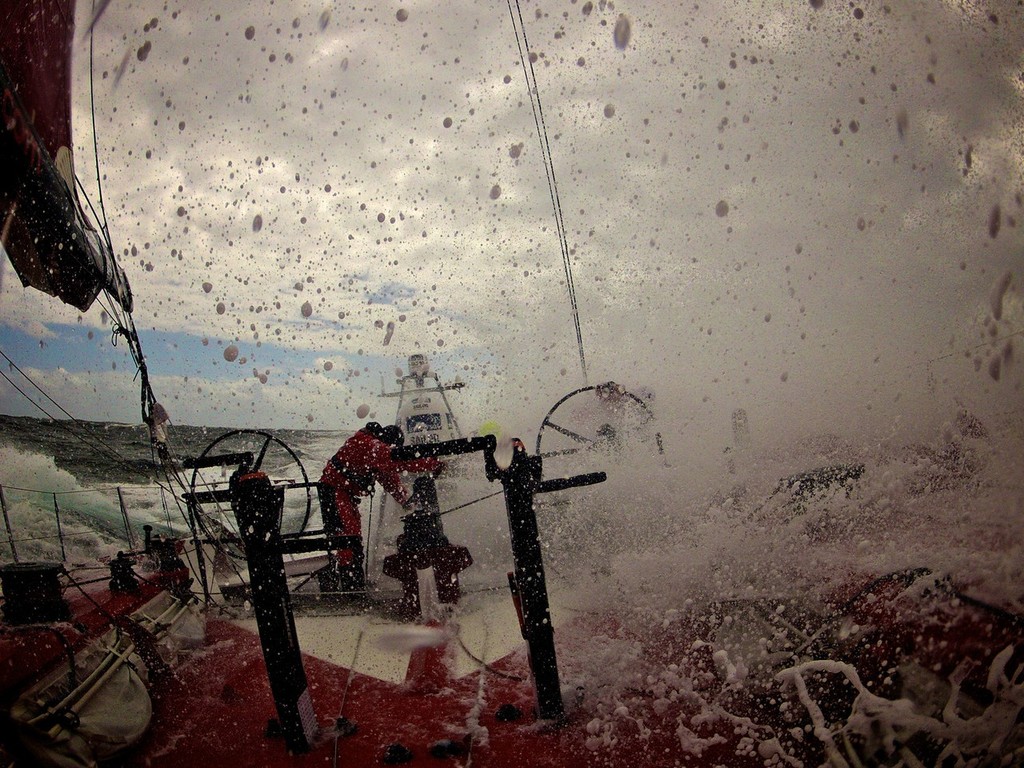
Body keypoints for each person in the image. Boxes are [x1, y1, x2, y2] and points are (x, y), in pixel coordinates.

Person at [318, 422, 442, 593]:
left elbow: (388, 478)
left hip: (344, 493)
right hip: (334, 491)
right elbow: (397, 460)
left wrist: (404, 500)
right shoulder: (370, 446)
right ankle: (350, 587)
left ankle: (352, 583)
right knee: (346, 540)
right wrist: (431, 464)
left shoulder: (373, 449)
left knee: (352, 538)